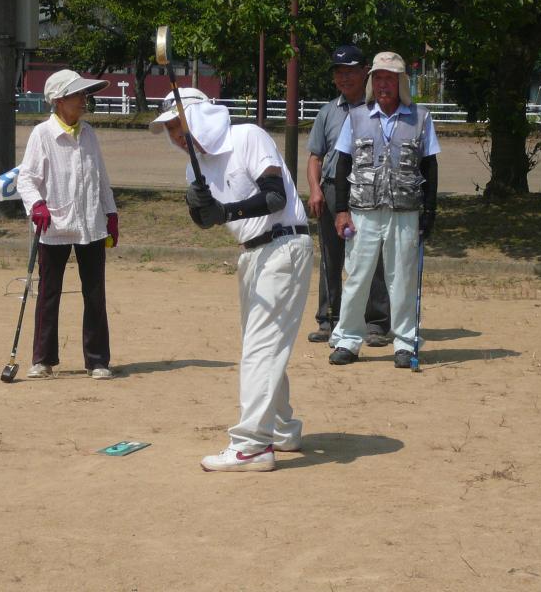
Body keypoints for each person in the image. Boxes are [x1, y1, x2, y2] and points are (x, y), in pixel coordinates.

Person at [150, 88, 313, 472]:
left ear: (200, 116)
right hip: (251, 254)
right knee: (262, 344)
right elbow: (207, 221)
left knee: (260, 347)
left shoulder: (247, 137)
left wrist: (226, 210)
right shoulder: (194, 169)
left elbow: (274, 197)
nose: (176, 136)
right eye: (169, 130)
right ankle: (281, 428)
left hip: (283, 244)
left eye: (178, 125)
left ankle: (252, 446)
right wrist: (201, 207)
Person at [328, 51, 440, 368]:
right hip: (362, 209)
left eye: (389, 78)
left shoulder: (420, 117)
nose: (383, 84)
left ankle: (404, 343)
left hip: (405, 210)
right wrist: (340, 210)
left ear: (401, 82)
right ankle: (348, 340)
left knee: (402, 278)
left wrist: (429, 212)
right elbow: (343, 164)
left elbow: (430, 167)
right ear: (371, 82)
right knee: (357, 277)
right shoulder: (357, 116)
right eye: (378, 78)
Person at [16, 69, 119, 380]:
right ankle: (43, 359)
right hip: (54, 225)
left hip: (90, 223)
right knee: (49, 293)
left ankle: (98, 360)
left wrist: (110, 213)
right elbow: (27, 179)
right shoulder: (42, 135)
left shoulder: (89, 134)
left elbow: (100, 177)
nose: (84, 100)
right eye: (77, 95)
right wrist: (36, 204)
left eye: (85, 94)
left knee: (95, 293)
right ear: (59, 101)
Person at [306, 45, 390, 347]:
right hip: (330, 190)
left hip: (367, 189)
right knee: (331, 257)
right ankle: (329, 319)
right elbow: (315, 157)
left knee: (373, 256)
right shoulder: (328, 112)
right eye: (339, 72)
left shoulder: (377, 111)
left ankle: (376, 323)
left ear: (364, 71)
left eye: (350, 71)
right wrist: (315, 189)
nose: (344, 77)